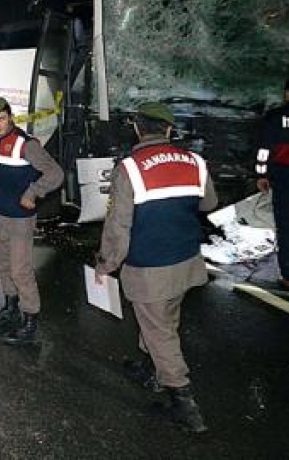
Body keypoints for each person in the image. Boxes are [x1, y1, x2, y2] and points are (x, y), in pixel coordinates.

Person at [95, 101, 215, 433]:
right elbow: (209, 203)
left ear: (137, 128)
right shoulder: (195, 161)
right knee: (166, 317)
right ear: (168, 129)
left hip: (150, 267)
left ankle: (185, 405)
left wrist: (106, 264)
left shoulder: (130, 169)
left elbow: (118, 227)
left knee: (160, 331)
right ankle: (151, 370)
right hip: (186, 260)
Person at [0, 97, 63, 345]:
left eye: (2, 119)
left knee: (21, 270)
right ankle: (11, 308)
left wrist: (33, 193)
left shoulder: (26, 145)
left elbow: (56, 173)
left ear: (11, 117)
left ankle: (30, 321)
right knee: (2, 263)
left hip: (20, 218)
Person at [255, 78, 289, 290]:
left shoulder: (276, 117)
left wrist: (262, 174)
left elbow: (264, 151)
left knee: (286, 226)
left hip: (284, 177)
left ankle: (287, 275)